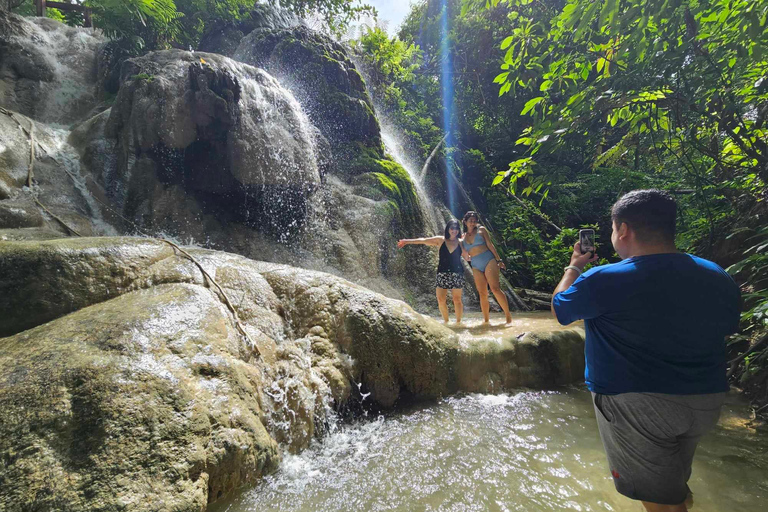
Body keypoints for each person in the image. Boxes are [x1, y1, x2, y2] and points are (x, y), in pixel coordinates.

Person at [550, 189, 741, 512]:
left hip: (638, 406)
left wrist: (573, 268)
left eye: (613, 229)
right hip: (704, 401)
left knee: (659, 504)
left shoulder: (602, 279)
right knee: (671, 485)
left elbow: (560, 310)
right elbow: (726, 326)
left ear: (623, 229)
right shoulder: (716, 275)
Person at [397, 219, 466, 323]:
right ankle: (446, 322)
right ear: (448, 229)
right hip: (442, 273)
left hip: (457, 273)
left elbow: (469, 253)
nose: (454, 230)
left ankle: (458, 322)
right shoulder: (440, 240)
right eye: (452, 228)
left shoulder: (461, 243)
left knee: (457, 300)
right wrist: (407, 241)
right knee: (441, 300)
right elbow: (423, 240)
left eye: (456, 228)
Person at [461, 211, 512, 324]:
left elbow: (490, 245)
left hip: (489, 260)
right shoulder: (463, 237)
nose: (473, 223)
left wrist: (499, 260)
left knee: (495, 289)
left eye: (474, 221)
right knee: (482, 293)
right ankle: (486, 321)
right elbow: (463, 254)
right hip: (475, 264)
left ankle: (508, 315)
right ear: (465, 221)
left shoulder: (481, 230)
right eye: (470, 221)